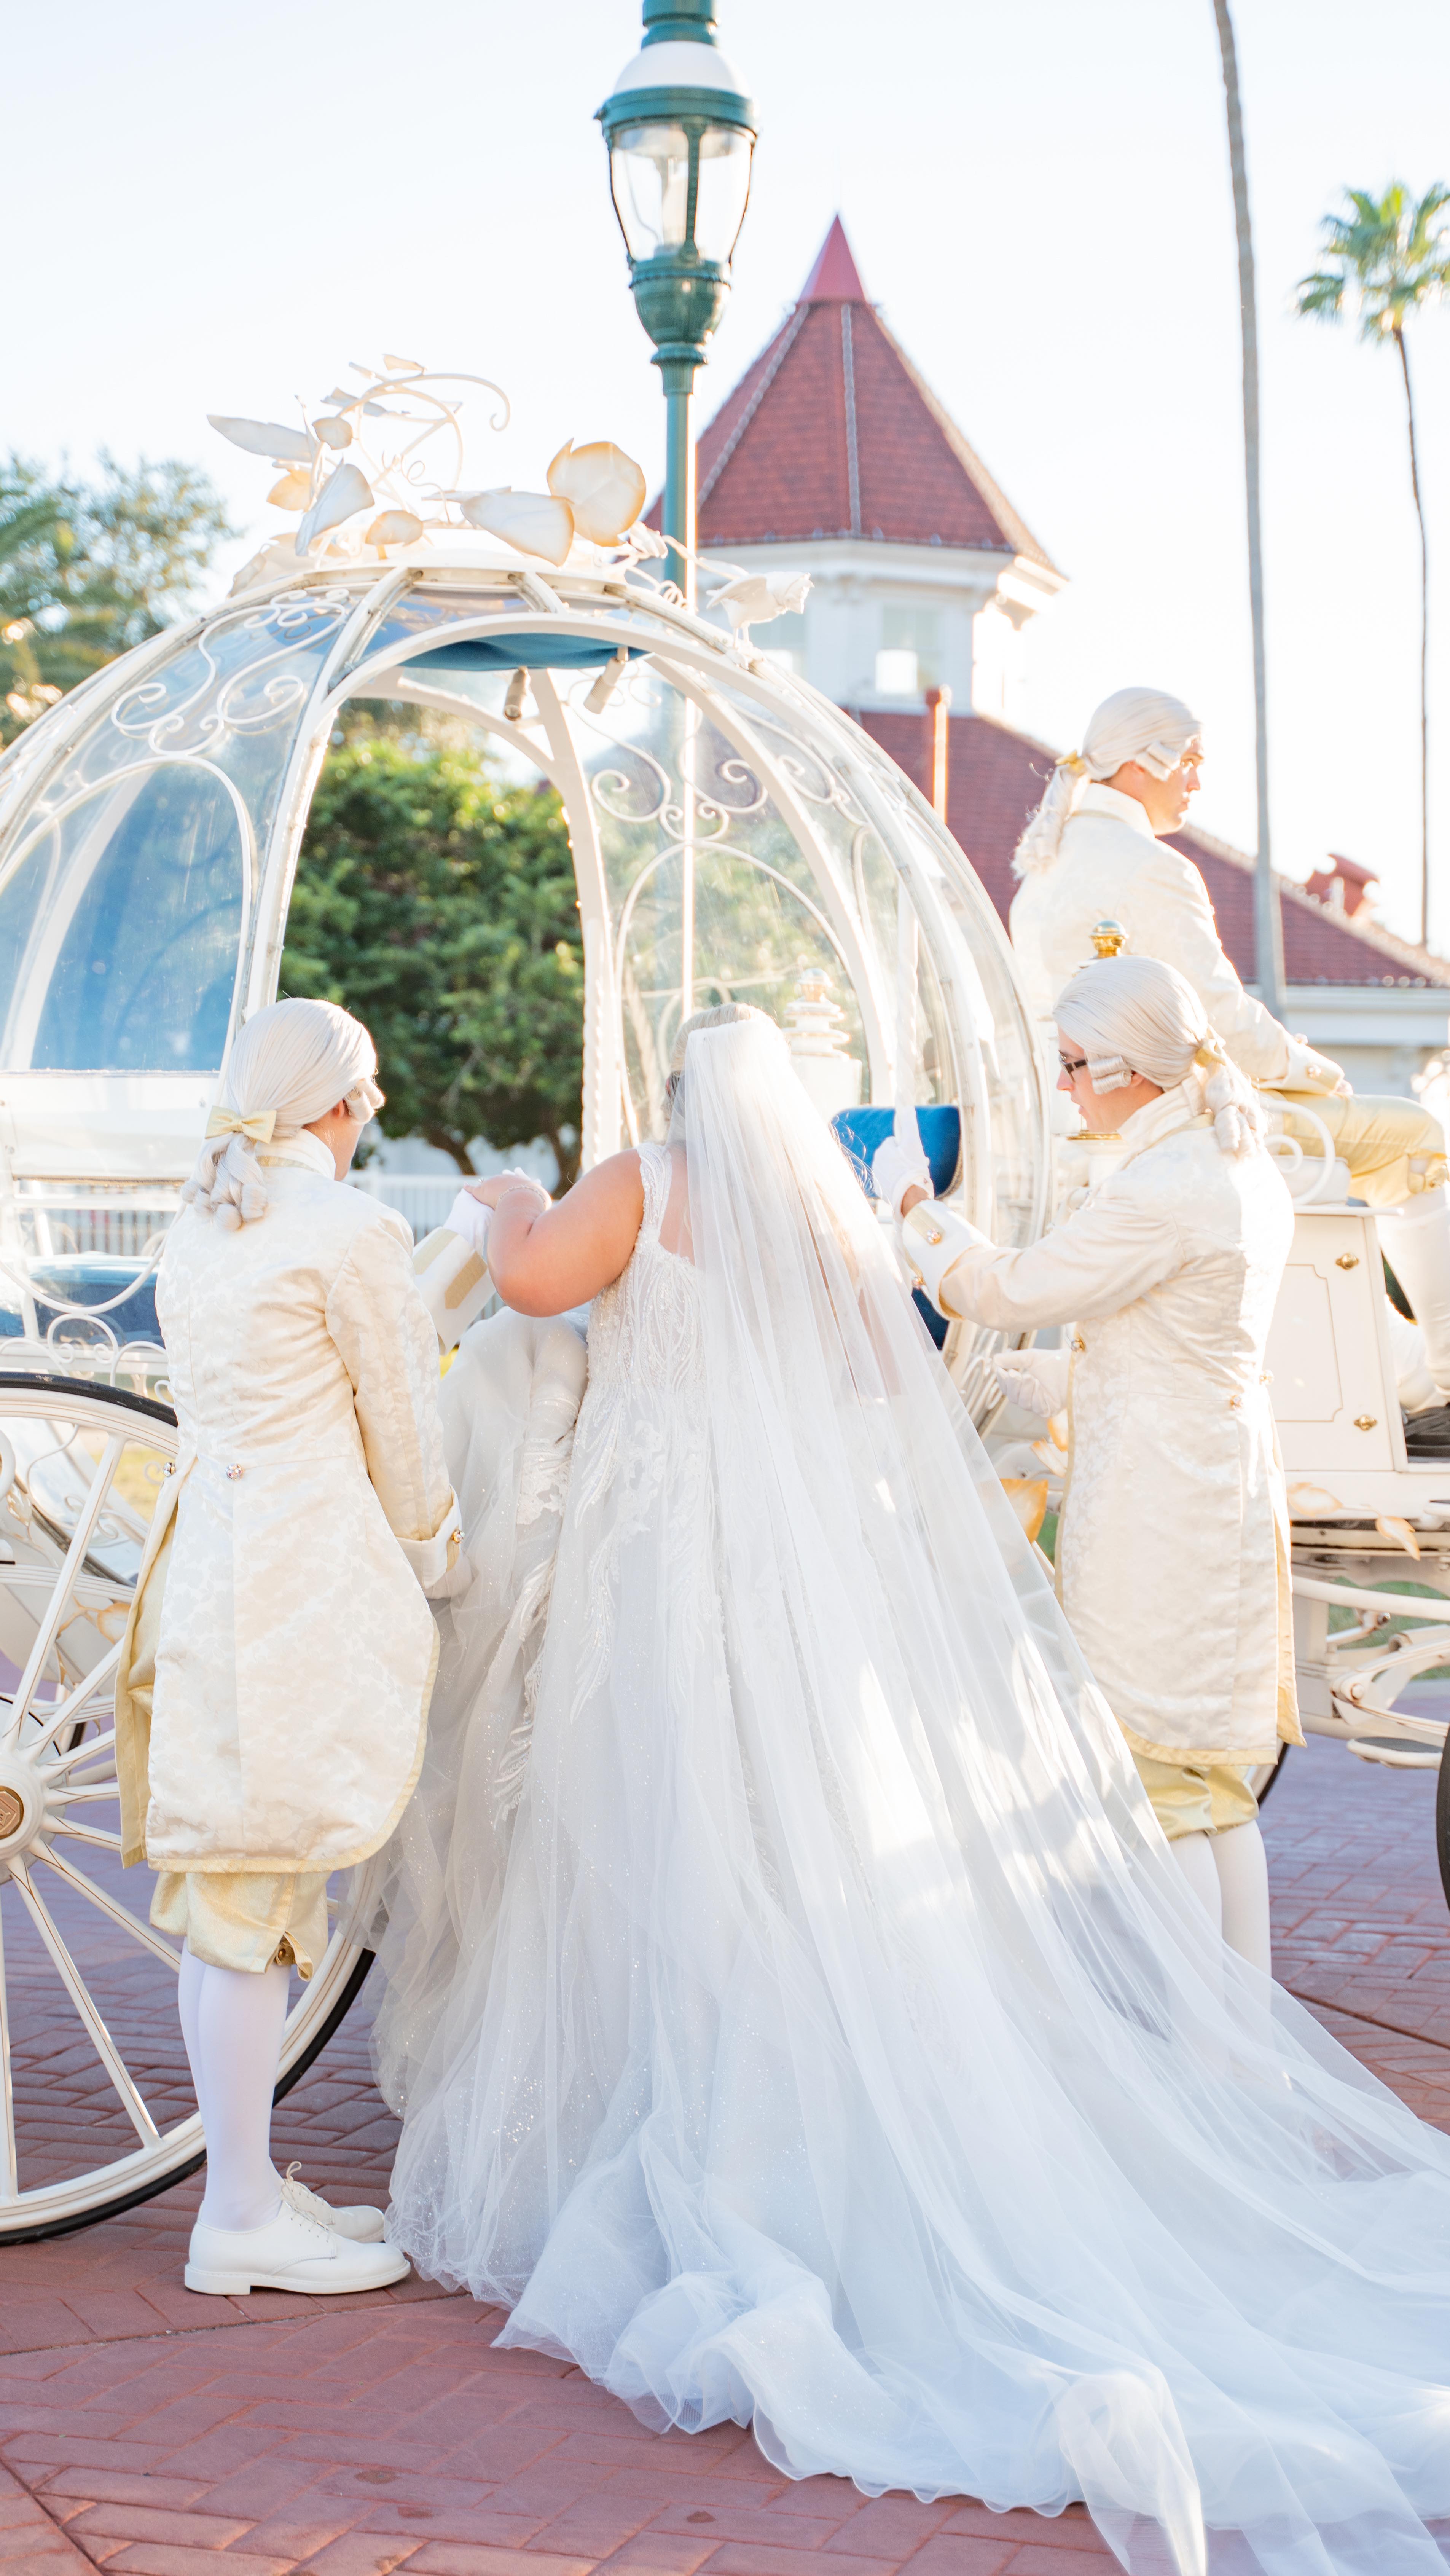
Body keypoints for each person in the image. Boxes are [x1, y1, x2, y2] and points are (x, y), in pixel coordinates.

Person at [374, 1000, 1450, 2576]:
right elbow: (896, 1379)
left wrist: (506, 1210)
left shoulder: (646, 1179)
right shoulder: (816, 1211)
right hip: (810, 1581)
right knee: (808, 1832)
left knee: (666, 1834)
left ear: (677, 1096)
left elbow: (533, 1283)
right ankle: (819, 2084)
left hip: (671, 1562)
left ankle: (700, 2108)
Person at [116, 999, 460, 2298]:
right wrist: (440, 1553)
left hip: (207, 1565)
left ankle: (251, 2186)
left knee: (230, 1891)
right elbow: (404, 1426)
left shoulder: (204, 1225)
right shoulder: (354, 1231)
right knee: (253, 1902)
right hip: (298, 1586)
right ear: (348, 1100)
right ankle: (241, 2212)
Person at [874, 955, 1296, 1972]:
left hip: (1164, 1505)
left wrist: (909, 1208)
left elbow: (1002, 1287)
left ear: (1123, 1070)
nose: (1061, 1087)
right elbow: (1187, 1338)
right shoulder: (1230, 1158)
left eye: (1068, 1066)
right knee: (1216, 1785)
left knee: (1160, 1785)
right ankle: (1239, 2052)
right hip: (1212, 1481)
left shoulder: (1164, 1185)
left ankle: (1204, 2057)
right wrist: (1066, 1383)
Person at [1009, 685, 1450, 1402]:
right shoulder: (1149, 866)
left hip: (1080, 1119)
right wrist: (1309, 1068)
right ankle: (1443, 1375)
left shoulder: (1044, 871)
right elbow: (1217, 1013)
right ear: (1139, 765)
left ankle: (1406, 1375)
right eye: (1189, 760)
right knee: (1418, 1137)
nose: (1197, 780)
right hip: (1178, 1121)